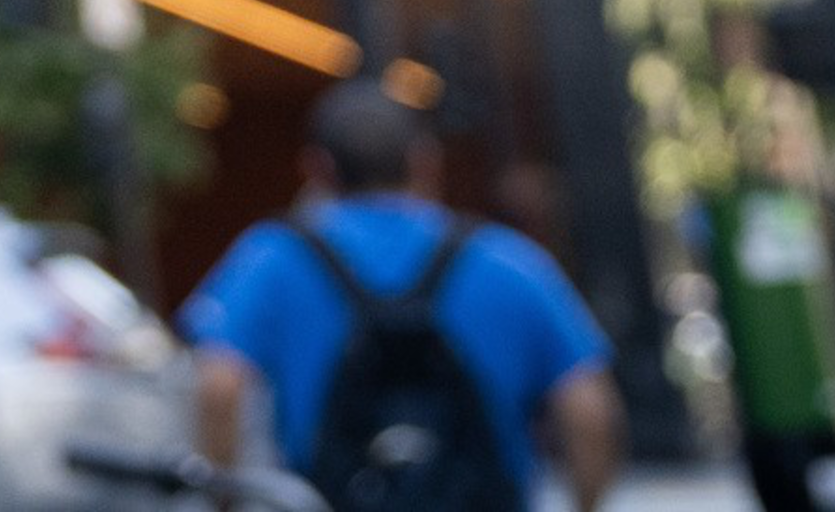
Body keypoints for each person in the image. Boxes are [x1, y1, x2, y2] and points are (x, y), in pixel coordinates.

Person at [182, 81, 625, 512]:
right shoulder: (508, 260)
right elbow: (589, 405)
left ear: (316, 168)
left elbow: (219, 385)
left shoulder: (272, 258)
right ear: (425, 161)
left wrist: (224, 501)